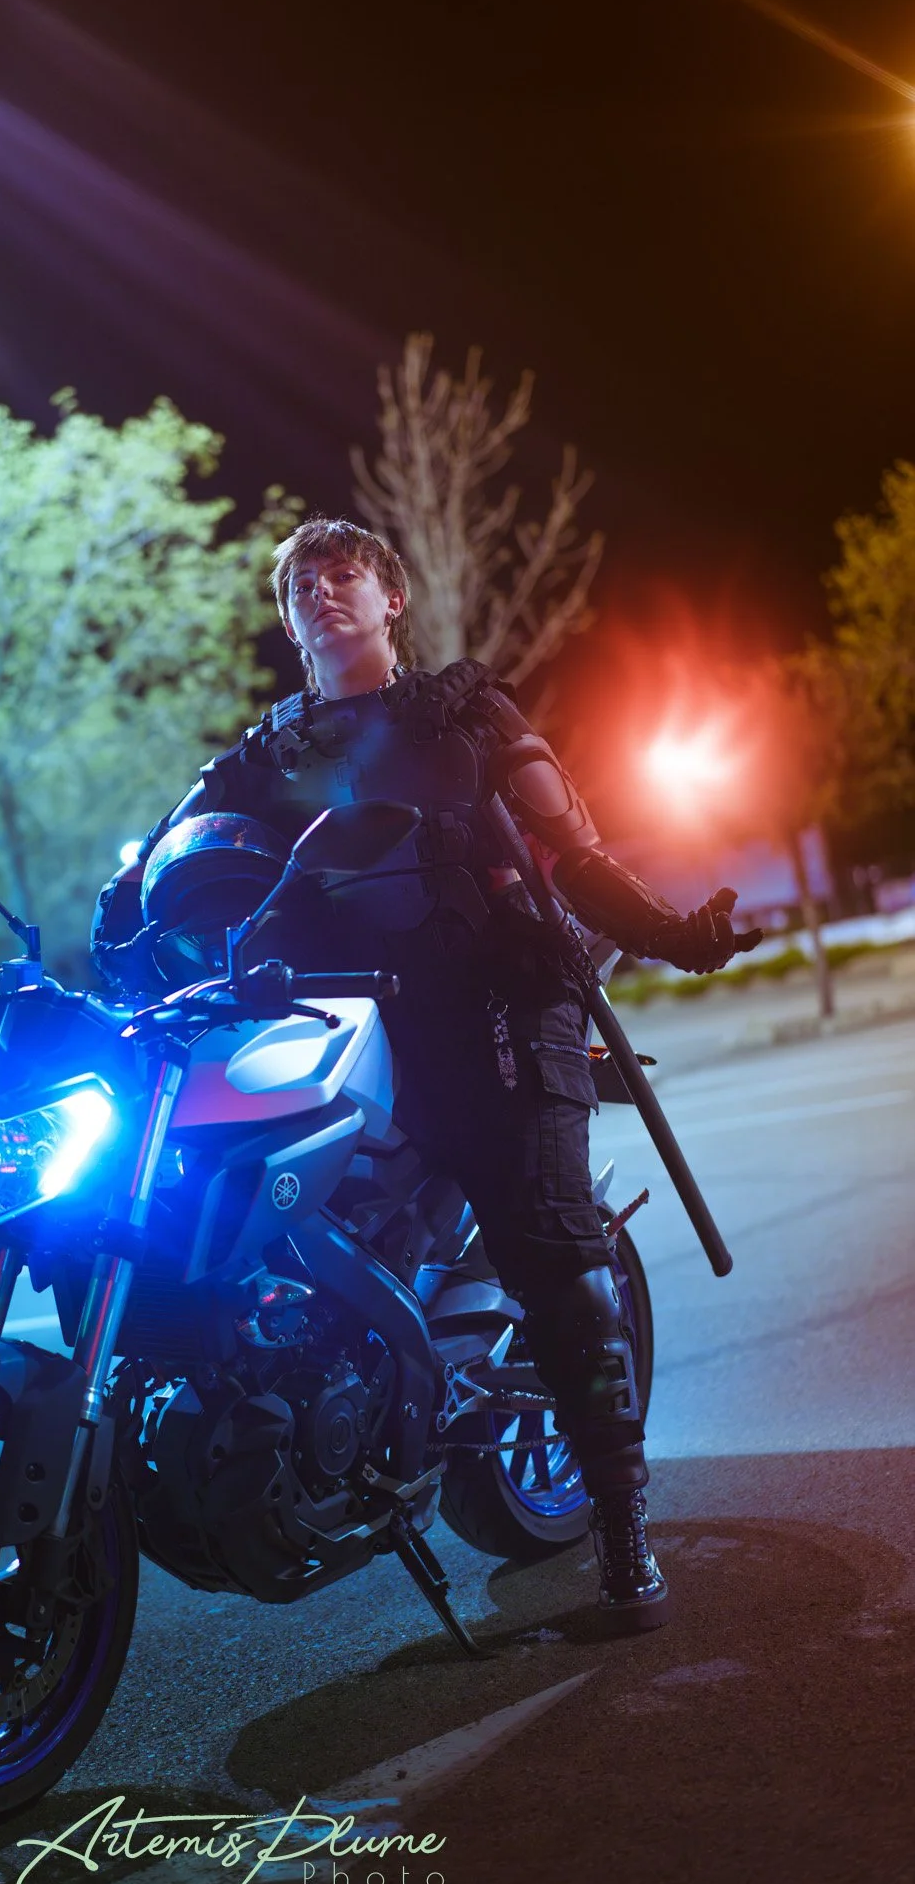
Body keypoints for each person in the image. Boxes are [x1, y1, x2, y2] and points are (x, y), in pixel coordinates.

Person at [91, 518, 759, 1633]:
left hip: (486, 1010)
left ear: (390, 598)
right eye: (300, 582)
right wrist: (109, 947)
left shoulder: (463, 710)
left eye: (342, 572)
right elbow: (158, 871)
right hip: (331, 1026)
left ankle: (623, 1534)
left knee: (550, 1250)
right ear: (287, 618)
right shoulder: (262, 755)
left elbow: (576, 852)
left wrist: (678, 933)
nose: (320, 589)